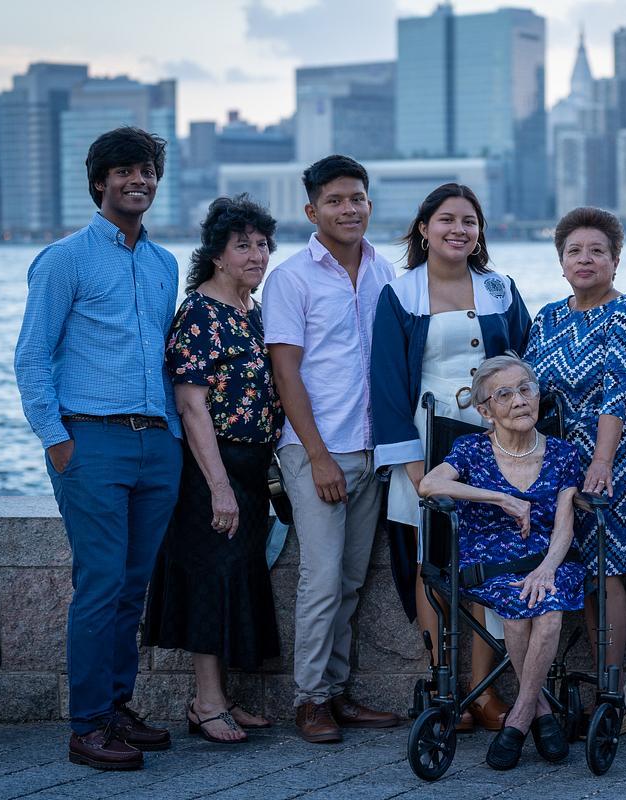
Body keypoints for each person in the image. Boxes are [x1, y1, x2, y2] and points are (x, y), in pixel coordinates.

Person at [14, 127, 181, 770]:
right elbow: (31, 358)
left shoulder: (164, 264)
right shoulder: (64, 259)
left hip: (155, 444)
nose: (137, 180)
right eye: (123, 172)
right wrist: (58, 442)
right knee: (100, 583)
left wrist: (172, 436)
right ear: (99, 183)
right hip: (91, 442)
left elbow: (166, 359)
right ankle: (86, 724)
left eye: (146, 171)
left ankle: (115, 707)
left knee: (133, 586)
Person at [371, 183, 531, 731]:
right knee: (429, 560)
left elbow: (524, 367)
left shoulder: (500, 289)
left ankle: (483, 691)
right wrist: (417, 474)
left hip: (493, 439)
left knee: (491, 558)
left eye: (470, 221)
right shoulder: (400, 293)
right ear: (424, 228)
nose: (459, 229)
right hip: (424, 438)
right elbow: (387, 386)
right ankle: (443, 683)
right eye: (447, 219)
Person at [262, 154, 401, 744]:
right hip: (315, 450)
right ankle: (310, 700)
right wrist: (317, 455)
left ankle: (338, 694)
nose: (349, 209)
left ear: (370, 204)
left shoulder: (385, 271)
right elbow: (285, 373)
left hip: (372, 453)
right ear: (312, 210)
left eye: (358, 198)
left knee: (350, 580)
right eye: (336, 201)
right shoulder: (291, 278)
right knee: (319, 578)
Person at [143, 195, 282, 744]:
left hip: (250, 468)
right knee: (211, 578)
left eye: (263, 243)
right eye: (243, 245)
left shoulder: (250, 308)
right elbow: (190, 405)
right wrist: (219, 487)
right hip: (210, 468)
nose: (256, 254)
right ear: (218, 256)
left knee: (237, 578)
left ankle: (221, 698)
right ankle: (205, 702)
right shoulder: (200, 312)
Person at [524, 206, 626, 729]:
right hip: (556, 464)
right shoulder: (548, 317)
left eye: (596, 251)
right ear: (561, 263)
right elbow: (530, 391)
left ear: (616, 260)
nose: (585, 259)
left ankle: (612, 690)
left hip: (614, 460)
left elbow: (618, 392)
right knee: (565, 567)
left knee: (605, 572)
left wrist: (600, 461)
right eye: (574, 251)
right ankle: (554, 686)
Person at [417, 355, 584, 771]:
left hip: (551, 559)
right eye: (504, 394)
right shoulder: (470, 450)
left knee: (546, 610)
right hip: (489, 563)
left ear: (538, 395)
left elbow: (565, 523)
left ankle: (521, 718)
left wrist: (547, 567)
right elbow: (429, 484)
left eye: (525, 389)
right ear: (485, 410)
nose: (519, 400)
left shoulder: (563, 453)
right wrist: (501, 498)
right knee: (518, 605)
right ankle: (544, 713)